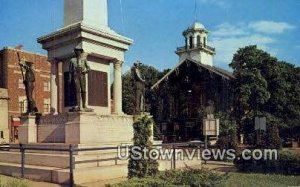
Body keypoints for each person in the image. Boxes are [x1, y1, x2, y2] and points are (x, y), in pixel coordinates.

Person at [68, 47, 91, 112]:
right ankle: (78, 106)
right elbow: (70, 71)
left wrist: (85, 71)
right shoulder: (72, 60)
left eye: (79, 51)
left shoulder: (84, 59)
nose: (78, 52)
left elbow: (89, 69)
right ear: (75, 52)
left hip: (82, 74)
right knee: (77, 90)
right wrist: (70, 78)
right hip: (75, 75)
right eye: (77, 51)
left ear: (81, 52)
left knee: (83, 90)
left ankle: (84, 106)